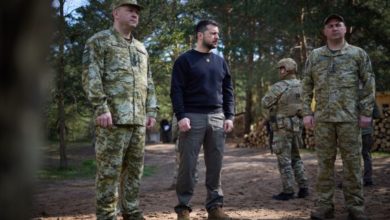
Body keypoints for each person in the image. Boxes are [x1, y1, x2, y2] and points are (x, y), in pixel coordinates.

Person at [82, 1, 157, 219]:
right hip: (112, 119)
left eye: (137, 12)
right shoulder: (99, 41)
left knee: (134, 172)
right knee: (109, 172)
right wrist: (101, 107)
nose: (135, 14)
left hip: (138, 120)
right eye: (130, 10)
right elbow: (91, 76)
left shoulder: (141, 48)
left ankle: (131, 211)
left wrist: (151, 110)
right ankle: (107, 215)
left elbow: (148, 81)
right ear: (116, 13)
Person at [302, 14, 375, 220]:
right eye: (330, 26)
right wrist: (307, 112)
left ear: (345, 29)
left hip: (350, 118)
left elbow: (369, 83)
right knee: (324, 165)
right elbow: (306, 84)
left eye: (338, 25)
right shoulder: (315, 56)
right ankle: (325, 207)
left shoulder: (357, 54)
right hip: (324, 119)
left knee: (352, 164)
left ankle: (356, 207)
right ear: (325, 31)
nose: (334, 28)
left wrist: (366, 112)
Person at [170, 19, 235, 220]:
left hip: (217, 117)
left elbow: (228, 90)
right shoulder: (184, 60)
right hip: (191, 117)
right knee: (187, 166)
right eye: (213, 33)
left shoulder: (220, 61)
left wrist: (229, 115)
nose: (217, 37)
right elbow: (176, 90)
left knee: (215, 165)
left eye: (218, 34)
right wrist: (181, 116)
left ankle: (215, 208)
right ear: (200, 35)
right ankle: (183, 209)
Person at [261, 58, 309, 201]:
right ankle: (303, 187)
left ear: (286, 69)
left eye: (281, 68)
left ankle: (288, 190)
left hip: (282, 127)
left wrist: (271, 115)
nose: (279, 71)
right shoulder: (303, 85)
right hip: (296, 126)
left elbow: (265, 102)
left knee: (284, 159)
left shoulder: (279, 86)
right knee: (296, 157)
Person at [170, 115, 200, 190]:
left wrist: (174, 137)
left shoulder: (179, 110)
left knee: (179, 160)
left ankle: (176, 181)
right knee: (194, 157)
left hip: (182, 136)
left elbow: (174, 126)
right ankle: (194, 179)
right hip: (195, 137)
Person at [361, 102, 380, 187]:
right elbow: (377, 114)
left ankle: (349, 180)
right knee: (367, 155)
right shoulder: (370, 99)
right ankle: (368, 179)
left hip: (352, 132)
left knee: (350, 156)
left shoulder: (350, 94)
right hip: (367, 131)